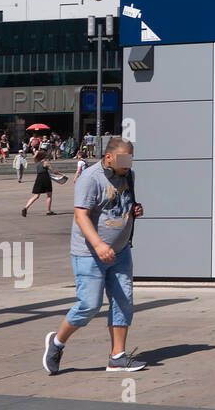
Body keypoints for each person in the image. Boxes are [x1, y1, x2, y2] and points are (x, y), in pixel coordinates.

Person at [43, 137, 146, 375]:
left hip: (120, 252)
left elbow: (121, 203)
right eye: (123, 161)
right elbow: (81, 216)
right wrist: (99, 245)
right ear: (108, 157)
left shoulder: (128, 175)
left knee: (123, 302)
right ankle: (56, 342)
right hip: (89, 253)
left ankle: (117, 357)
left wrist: (134, 210)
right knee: (89, 305)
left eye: (130, 160)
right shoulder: (90, 178)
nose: (127, 166)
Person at [22, 150, 62, 216]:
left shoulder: (37, 162)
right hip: (45, 178)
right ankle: (48, 211)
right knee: (49, 195)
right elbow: (53, 171)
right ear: (44, 156)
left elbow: (34, 157)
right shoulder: (46, 162)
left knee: (36, 195)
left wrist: (37, 152)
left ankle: (26, 207)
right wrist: (61, 174)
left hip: (38, 178)